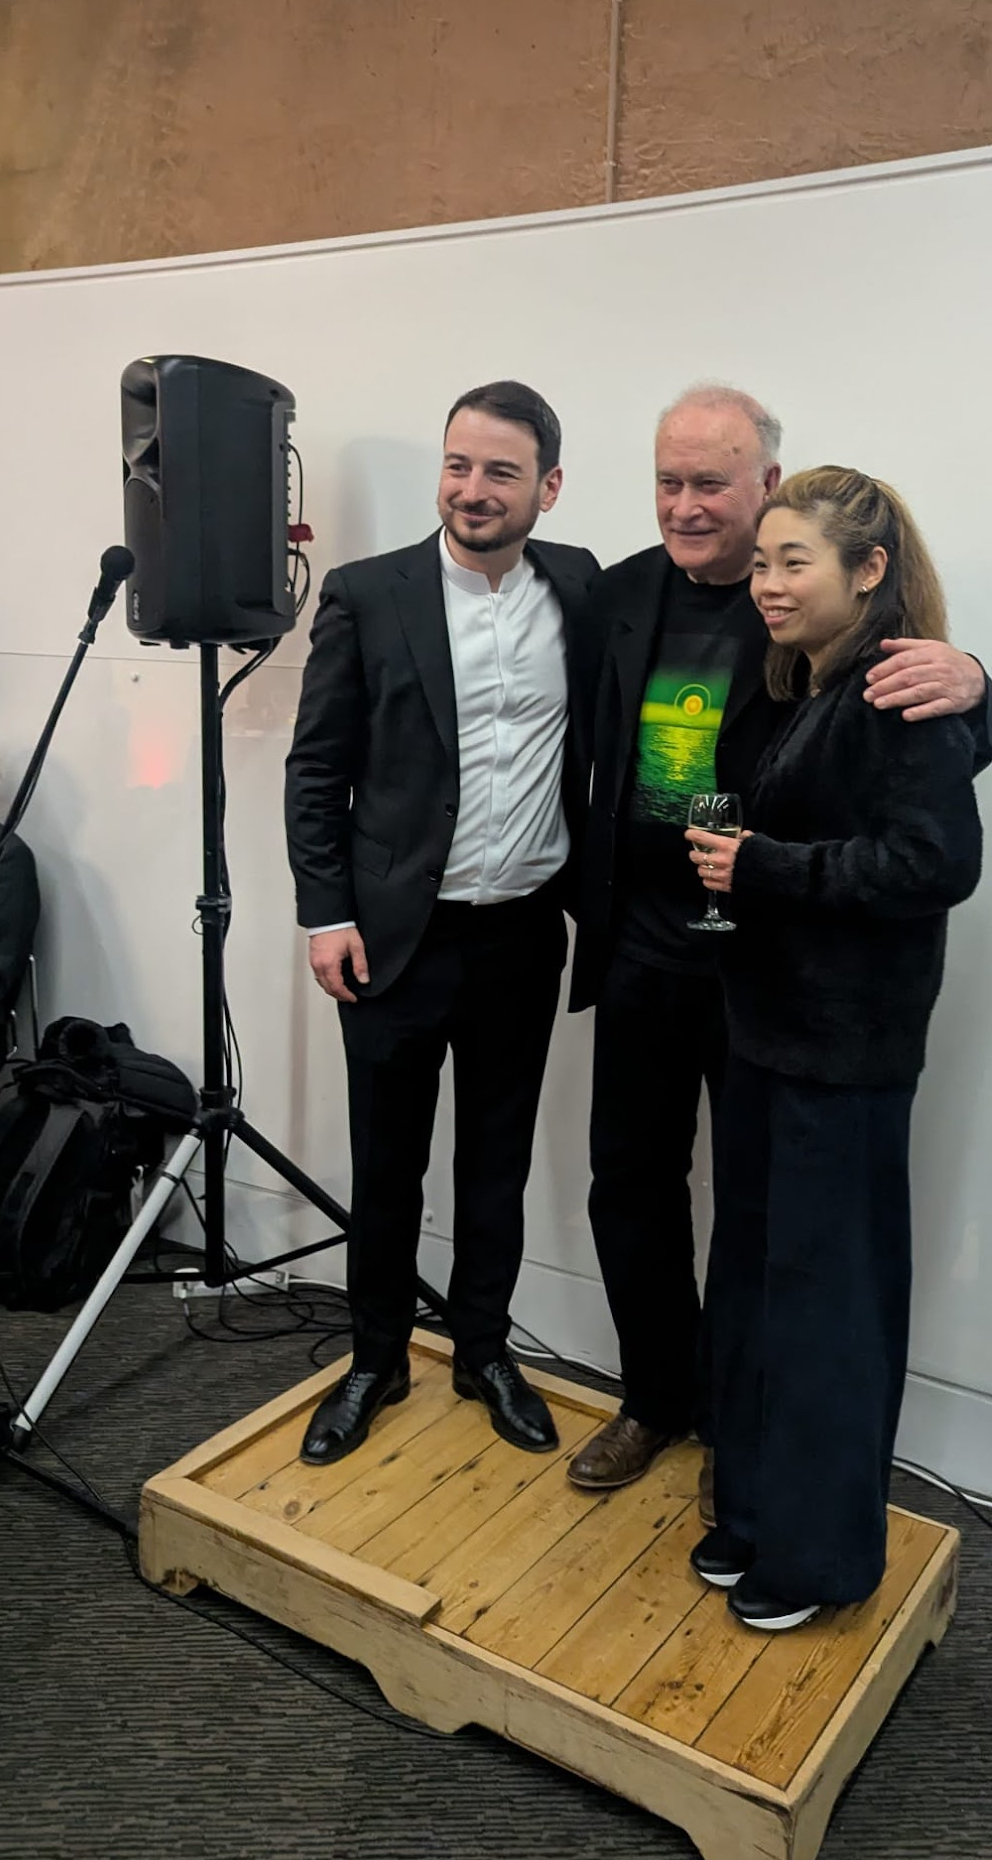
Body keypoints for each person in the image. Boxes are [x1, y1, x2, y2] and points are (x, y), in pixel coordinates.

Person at [566, 386, 992, 1503]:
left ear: (767, 485)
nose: (685, 504)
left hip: (769, 964)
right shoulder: (611, 596)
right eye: (669, 481)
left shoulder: (824, 616)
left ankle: (742, 1434)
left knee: (763, 1221)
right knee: (630, 1183)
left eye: (710, 482)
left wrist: (983, 688)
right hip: (645, 954)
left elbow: (914, 742)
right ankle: (657, 1400)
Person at [684, 466, 982, 1630]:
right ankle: (757, 1511)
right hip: (765, 1038)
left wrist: (766, 868)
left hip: (845, 1058)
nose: (765, 582)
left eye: (790, 560)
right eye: (759, 561)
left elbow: (935, 866)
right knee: (757, 1292)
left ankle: (821, 1559)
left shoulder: (904, 689)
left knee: (828, 1313)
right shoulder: (798, 681)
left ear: (869, 571)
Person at [284, 381, 600, 1466]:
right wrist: (323, 915)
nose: (471, 489)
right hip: (392, 938)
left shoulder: (583, 585)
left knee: (496, 1162)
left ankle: (482, 1351)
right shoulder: (370, 594)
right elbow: (317, 768)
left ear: (547, 488)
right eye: (458, 465)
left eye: (500, 471)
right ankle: (374, 1357)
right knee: (387, 1163)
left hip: (521, 935)